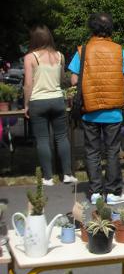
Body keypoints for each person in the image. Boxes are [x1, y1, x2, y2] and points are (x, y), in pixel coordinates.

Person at [67, 13, 124, 205]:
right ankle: (112, 192)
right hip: (113, 111)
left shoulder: (82, 50)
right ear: (110, 29)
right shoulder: (119, 50)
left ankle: (95, 192)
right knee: (112, 151)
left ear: (91, 29)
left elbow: (74, 79)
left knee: (92, 151)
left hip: (90, 110)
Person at [23, 25, 77, 187]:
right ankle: (67, 174)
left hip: (38, 101)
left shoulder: (30, 57)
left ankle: (48, 177)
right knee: (62, 137)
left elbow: (27, 84)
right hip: (57, 99)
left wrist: (26, 104)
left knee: (43, 139)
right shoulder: (59, 56)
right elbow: (61, 79)